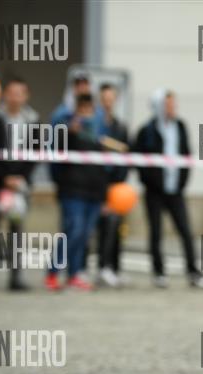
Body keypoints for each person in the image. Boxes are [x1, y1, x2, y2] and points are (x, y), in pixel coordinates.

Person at [133, 89, 203, 288]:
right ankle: (159, 272)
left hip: (175, 190)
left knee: (185, 230)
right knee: (156, 232)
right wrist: (150, 180)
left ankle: (193, 272)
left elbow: (186, 154)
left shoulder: (180, 126)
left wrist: (182, 181)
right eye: (168, 104)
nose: (172, 108)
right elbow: (138, 158)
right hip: (154, 191)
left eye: (173, 104)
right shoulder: (147, 130)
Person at [46, 93, 111, 291]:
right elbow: (55, 153)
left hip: (94, 193)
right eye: (82, 109)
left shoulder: (98, 137)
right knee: (72, 231)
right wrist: (68, 133)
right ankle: (53, 272)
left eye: (89, 109)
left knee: (84, 235)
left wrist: (104, 196)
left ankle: (74, 274)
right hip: (72, 191)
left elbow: (103, 169)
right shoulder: (66, 130)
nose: (86, 113)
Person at [0, 78, 38, 291]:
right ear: (5, 94)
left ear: (26, 96)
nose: (15, 97)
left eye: (19, 93)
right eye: (11, 93)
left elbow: (35, 153)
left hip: (19, 185)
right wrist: (4, 177)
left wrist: (19, 178)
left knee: (16, 230)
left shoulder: (32, 121)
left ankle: (16, 277)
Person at [96, 83, 129, 287]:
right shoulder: (94, 125)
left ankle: (115, 268)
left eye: (111, 99)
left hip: (116, 187)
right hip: (97, 186)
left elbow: (126, 157)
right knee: (102, 229)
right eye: (104, 99)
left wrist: (118, 184)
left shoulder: (120, 127)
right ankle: (102, 267)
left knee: (117, 228)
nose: (108, 103)